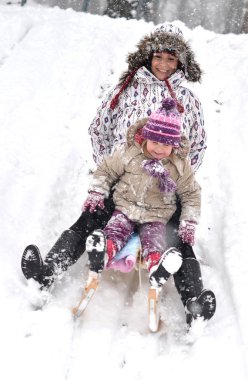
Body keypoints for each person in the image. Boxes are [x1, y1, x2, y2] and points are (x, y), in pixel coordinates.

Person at [21, 22, 216, 326]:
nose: (164, 65)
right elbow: (99, 128)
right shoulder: (126, 89)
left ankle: (194, 305)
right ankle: (47, 272)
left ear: (181, 62)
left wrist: (174, 175)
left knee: (179, 238)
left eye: (171, 59)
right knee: (89, 219)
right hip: (122, 181)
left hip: (166, 189)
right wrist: (114, 170)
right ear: (147, 56)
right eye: (158, 57)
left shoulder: (187, 101)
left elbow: (199, 142)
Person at [84, 98, 200, 294]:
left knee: (154, 242)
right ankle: (101, 254)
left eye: (166, 145)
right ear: (145, 137)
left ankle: (157, 270)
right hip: (125, 208)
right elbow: (106, 171)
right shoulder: (130, 154)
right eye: (155, 141)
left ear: (174, 146)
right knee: (115, 231)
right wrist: (97, 191)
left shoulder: (179, 166)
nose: (159, 149)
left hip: (156, 216)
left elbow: (191, 193)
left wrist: (189, 220)